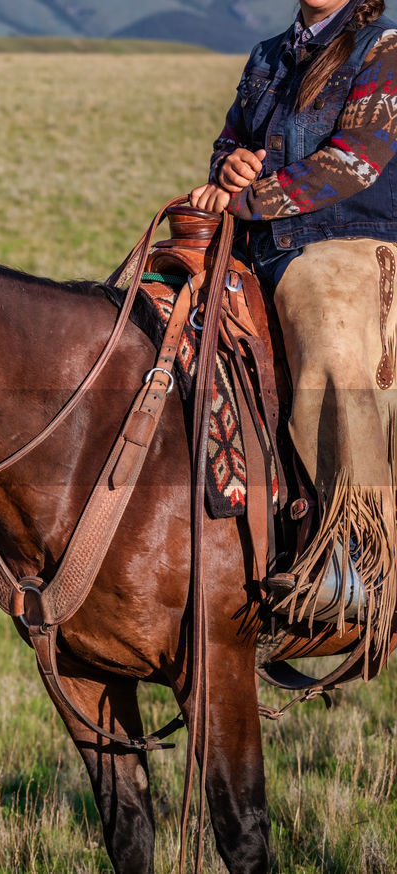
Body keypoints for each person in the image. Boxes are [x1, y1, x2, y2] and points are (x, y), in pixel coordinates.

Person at [190, 0, 397, 640]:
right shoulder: (269, 55)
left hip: (351, 245)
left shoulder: (382, 47)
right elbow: (231, 142)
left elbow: (358, 160)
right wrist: (229, 168)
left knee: (328, 328)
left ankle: (357, 551)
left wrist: (249, 198)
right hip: (262, 246)